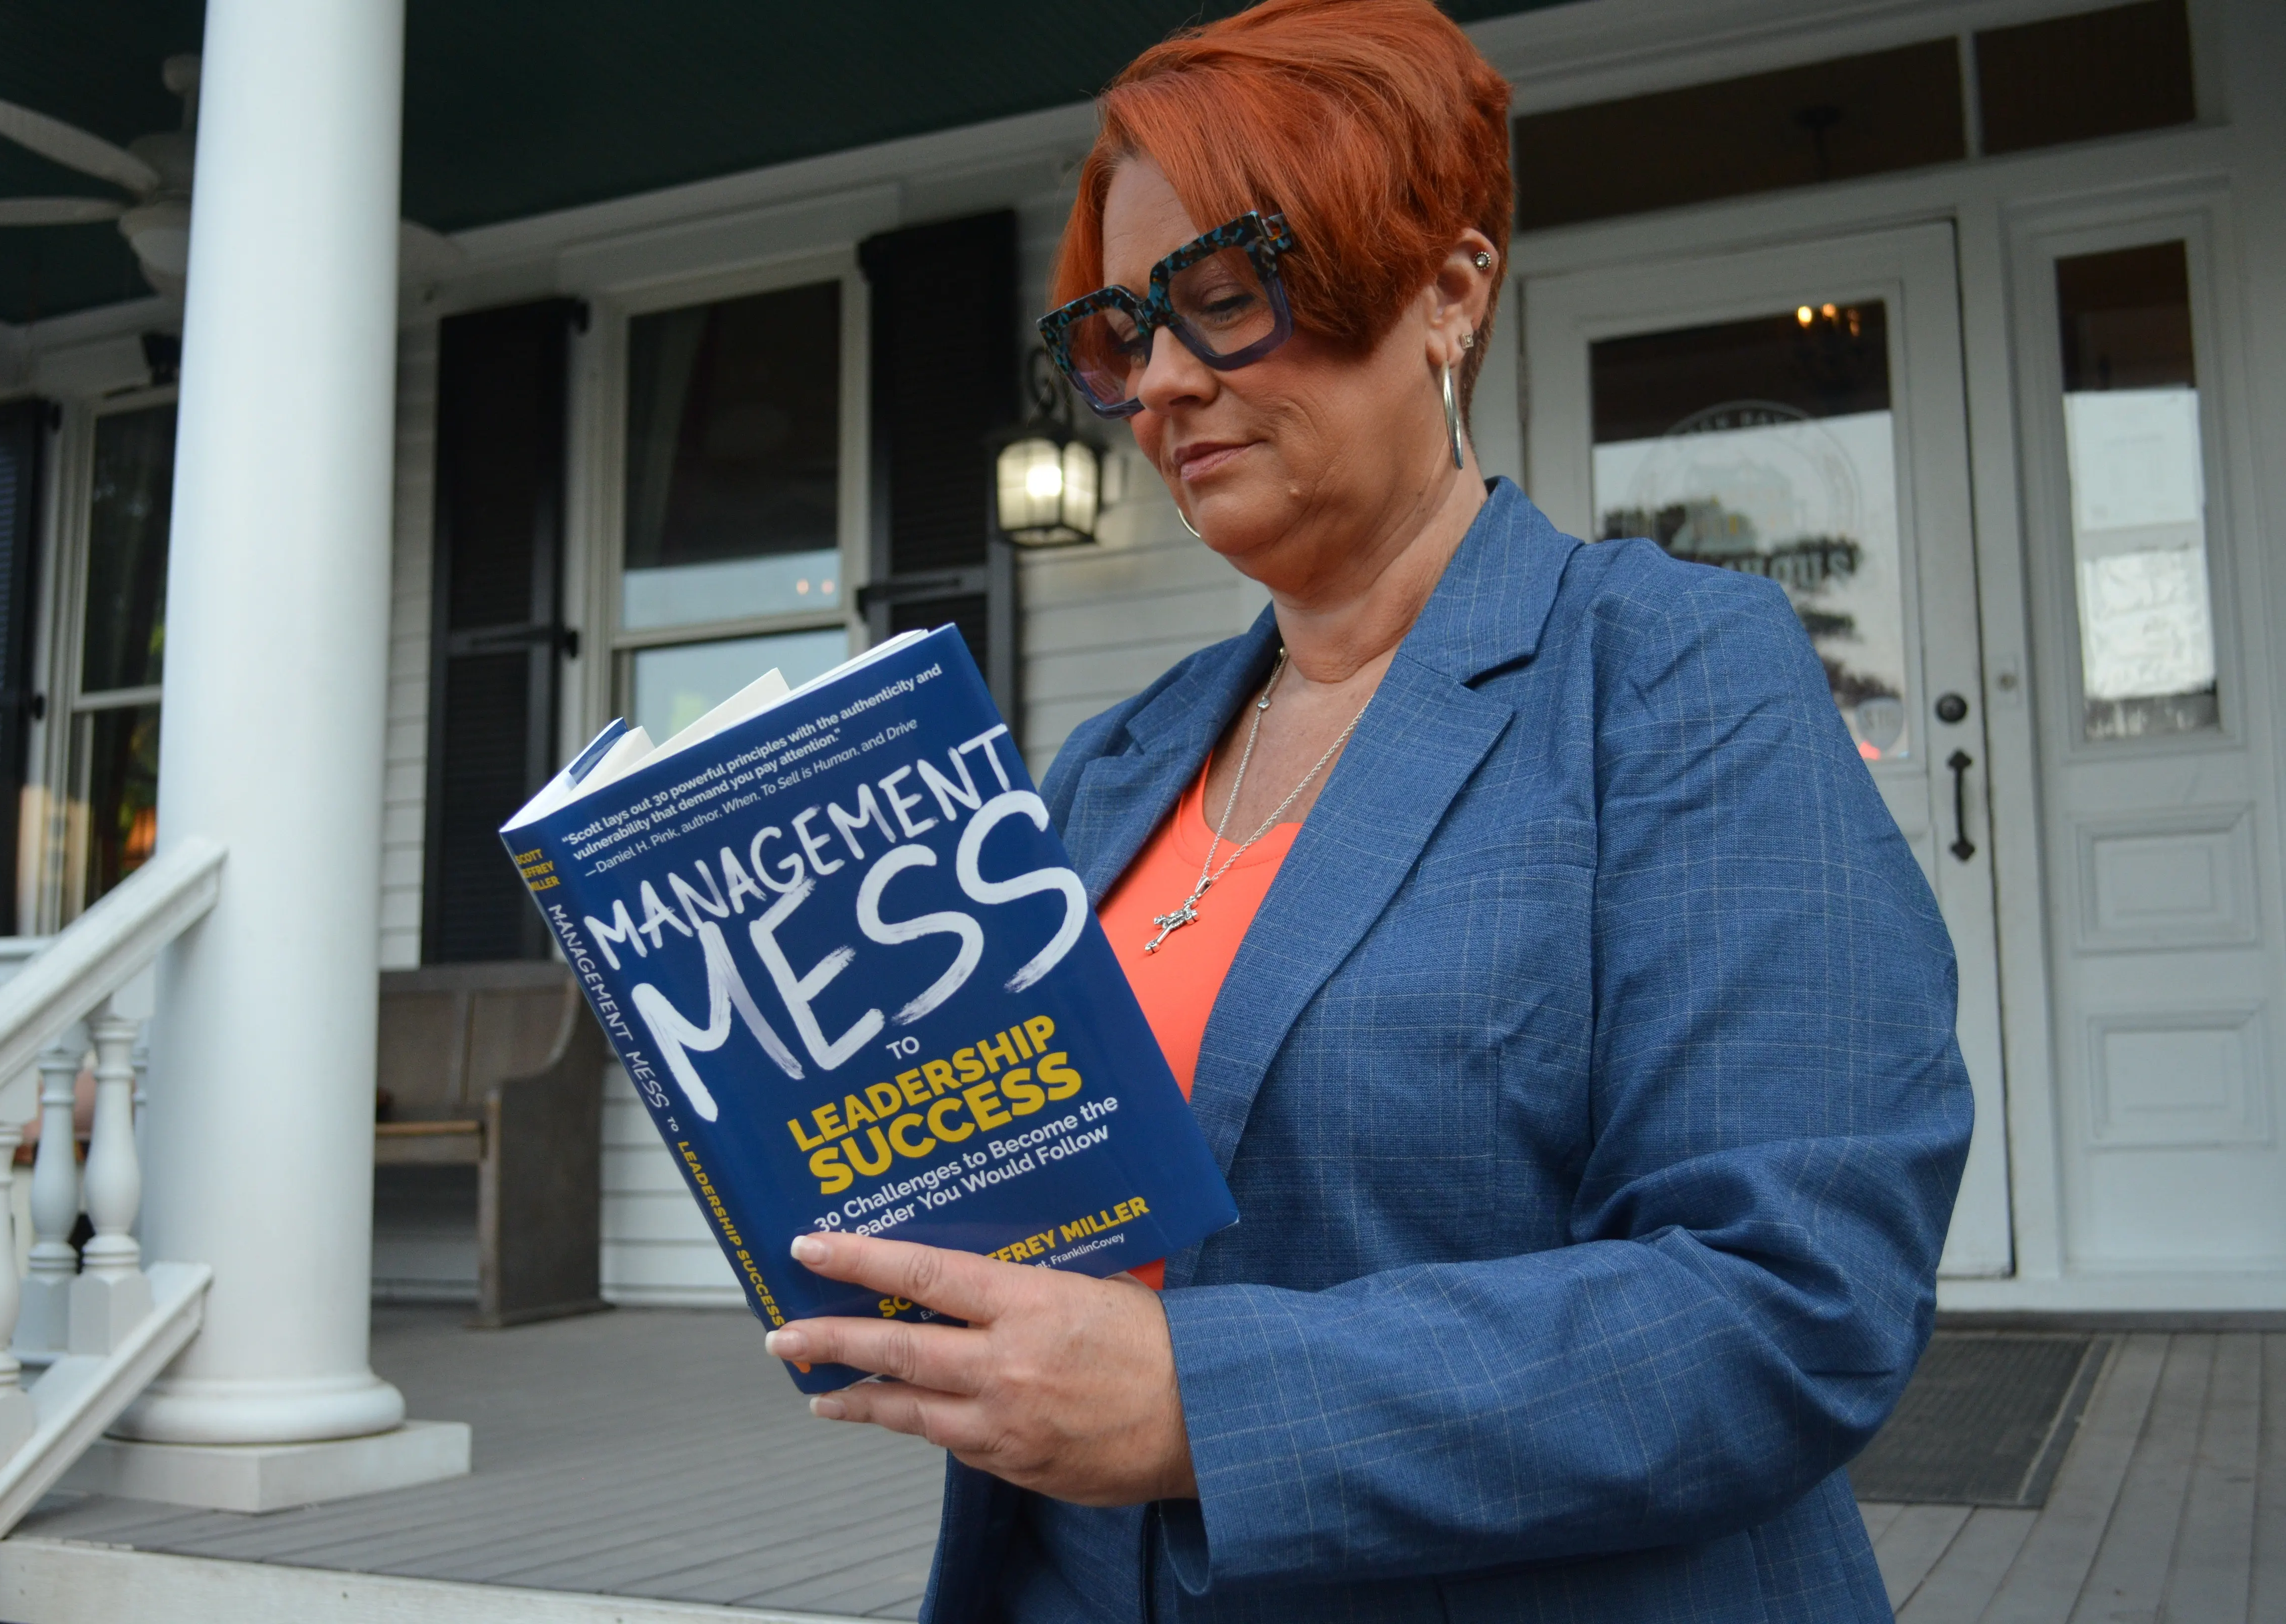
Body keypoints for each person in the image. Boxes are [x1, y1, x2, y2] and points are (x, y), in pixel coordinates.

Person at [759, 0, 1974, 1617]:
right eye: (1125, 337)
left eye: (1226, 296)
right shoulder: (1112, 764)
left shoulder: (1669, 677)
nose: (1168, 385)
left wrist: (1202, 1402)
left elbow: (1791, 1302)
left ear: (1448, 291)